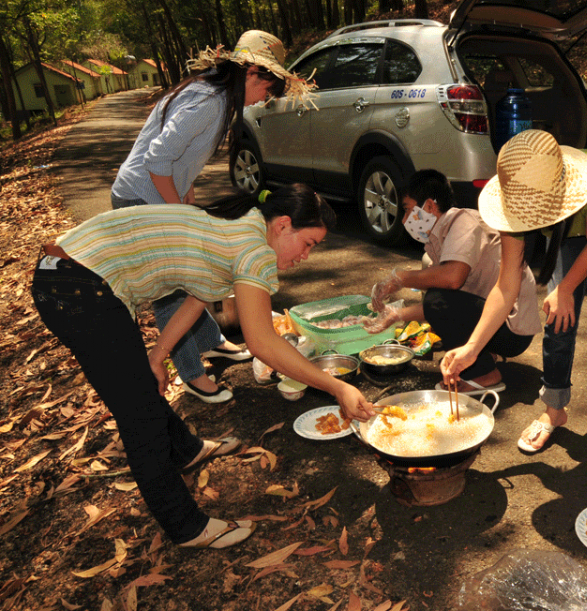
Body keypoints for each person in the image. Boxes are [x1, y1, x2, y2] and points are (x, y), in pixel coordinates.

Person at [32, 184, 376, 549]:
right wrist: (337, 386)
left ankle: (186, 450)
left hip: (74, 275)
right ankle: (187, 528)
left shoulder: (244, 223)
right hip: (79, 285)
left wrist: (157, 354)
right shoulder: (254, 249)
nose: (306, 256)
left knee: (140, 394)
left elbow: (197, 298)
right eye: (309, 243)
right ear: (283, 225)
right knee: (140, 420)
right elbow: (260, 342)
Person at [111, 30, 315, 403]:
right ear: (253, 72)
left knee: (196, 272)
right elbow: (157, 159)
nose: (264, 99)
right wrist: (177, 212)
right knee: (171, 289)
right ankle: (191, 373)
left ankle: (210, 340)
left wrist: (186, 194)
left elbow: (178, 158)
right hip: (140, 199)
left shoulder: (213, 94)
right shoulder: (211, 101)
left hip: (157, 194)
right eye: (267, 89)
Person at [441, 130, 587, 452]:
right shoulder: (512, 200)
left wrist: (566, 288)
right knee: (558, 320)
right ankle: (554, 410)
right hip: (569, 233)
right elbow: (506, 283)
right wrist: (472, 347)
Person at [368, 170, 541, 395]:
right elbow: (452, 303)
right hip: (496, 322)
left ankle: (484, 373)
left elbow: (452, 280)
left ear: (429, 206)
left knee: (436, 296)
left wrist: (400, 278)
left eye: (408, 209)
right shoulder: (440, 239)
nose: (404, 219)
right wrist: (395, 315)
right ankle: (482, 355)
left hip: (511, 332)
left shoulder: (463, 221)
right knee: (434, 289)